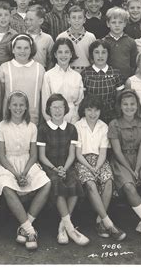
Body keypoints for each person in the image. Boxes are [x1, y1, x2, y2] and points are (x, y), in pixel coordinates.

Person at [0, 91, 51, 250]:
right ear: (9, 106)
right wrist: (15, 174)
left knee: (46, 183)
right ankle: (30, 231)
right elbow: (1, 155)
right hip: (8, 165)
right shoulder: (1, 126)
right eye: (14, 105)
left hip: (27, 163)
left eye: (21, 105)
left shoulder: (32, 126)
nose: (18, 108)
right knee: (5, 185)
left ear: (26, 107)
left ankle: (25, 225)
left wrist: (25, 172)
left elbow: (33, 155)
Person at [37, 94, 88, 246]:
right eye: (54, 107)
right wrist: (55, 169)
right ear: (48, 109)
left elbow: (72, 154)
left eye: (61, 107)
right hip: (49, 166)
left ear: (66, 109)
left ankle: (63, 226)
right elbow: (42, 156)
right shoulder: (43, 128)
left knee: (75, 183)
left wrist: (64, 168)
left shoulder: (71, 129)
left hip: (66, 165)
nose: (58, 110)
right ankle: (70, 228)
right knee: (57, 183)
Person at [74, 95, 126, 241]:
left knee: (108, 181)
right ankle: (109, 223)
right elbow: (78, 153)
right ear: (84, 110)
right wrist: (90, 168)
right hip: (82, 161)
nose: (93, 114)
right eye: (89, 110)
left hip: (100, 161)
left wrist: (97, 166)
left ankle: (99, 221)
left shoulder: (104, 126)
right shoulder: (78, 126)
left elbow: (103, 152)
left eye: (96, 110)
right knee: (90, 184)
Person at [108, 89, 141, 241]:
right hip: (121, 160)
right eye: (125, 104)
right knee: (129, 186)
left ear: (137, 106)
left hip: (140, 160)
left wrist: (137, 168)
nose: (129, 107)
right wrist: (130, 169)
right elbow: (116, 151)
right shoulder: (114, 124)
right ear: (120, 106)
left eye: (132, 104)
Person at [0, 34, 45, 125]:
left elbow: (43, 97)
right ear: (13, 49)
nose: (22, 51)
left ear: (31, 50)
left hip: (33, 120)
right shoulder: (4, 68)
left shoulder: (40, 69)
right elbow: (0, 95)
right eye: (19, 48)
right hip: (9, 119)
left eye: (26, 48)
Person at [80, 39, 125, 124]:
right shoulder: (85, 74)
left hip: (111, 117)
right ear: (92, 54)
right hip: (92, 117)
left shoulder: (115, 73)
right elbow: (83, 99)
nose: (100, 56)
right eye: (96, 52)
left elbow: (119, 99)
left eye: (104, 52)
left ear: (108, 54)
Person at [41, 38, 83, 123]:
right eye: (60, 52)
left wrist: (75, 121)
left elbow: (79, 102)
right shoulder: (48, 75)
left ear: (71, 54)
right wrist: (51, 123)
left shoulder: (77, 76)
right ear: (55, 54)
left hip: (73, 119)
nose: (63, 55)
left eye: (67, 52)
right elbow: (45, 103)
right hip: (54, 119)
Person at [56, 5, 96, 73]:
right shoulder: (61, 37)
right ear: (68, 20)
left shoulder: (91, 37)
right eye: (74, 17)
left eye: (80, 17)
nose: (77, 20)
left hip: (87, 72)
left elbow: (93, 58)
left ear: (84, 20)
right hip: (67, 72)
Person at [103, 7, 138, 80]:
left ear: (125, 24)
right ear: (108, 24)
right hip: (108, 80)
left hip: (127, 79)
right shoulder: (103, 42)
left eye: (120, 22)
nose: (117, 25)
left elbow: (134, 64)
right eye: (113, 22)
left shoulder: (131, 42)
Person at [25, 4, 54, 69]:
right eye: (26, 19)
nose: (27, 22)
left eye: (31, 20)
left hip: (42, 73)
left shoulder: (48, 39)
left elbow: (52, 59)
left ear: (40, 21)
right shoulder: (22, 37)